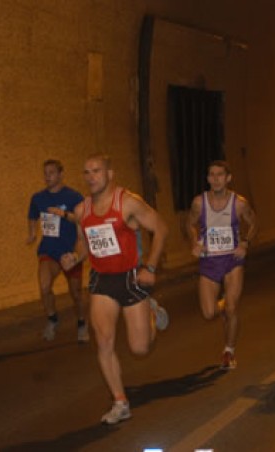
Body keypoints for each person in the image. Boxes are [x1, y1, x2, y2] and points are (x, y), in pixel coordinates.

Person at [60, 154, 169, 425]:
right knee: (104, 341)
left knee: (140, 348)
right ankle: (120, 402)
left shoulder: (127, 202)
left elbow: (161, 228)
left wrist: (151, 267)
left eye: (96, 171)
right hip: (102, 281)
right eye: (86, 172)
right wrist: (74, 257)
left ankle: (151, 312)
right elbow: (84, 243)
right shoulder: (81, 210)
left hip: (131, 278)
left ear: (110, 174)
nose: (91, 177)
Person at [188, 161, 258, 369]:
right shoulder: (199, 203)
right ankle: (223, 305)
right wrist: (194, 242)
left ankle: (229, 351)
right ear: (207, 178)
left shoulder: (239, 203)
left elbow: (254, 223)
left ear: (228, 178)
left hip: (232, 260)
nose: (216, 179)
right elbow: (189, 224)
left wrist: (245, 243)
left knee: (232, 308)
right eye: (212, 175)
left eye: (220, 175)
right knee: (209, 313)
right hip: (209, 261)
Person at [27, 159, 88, 342]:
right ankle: (52, 320)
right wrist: (32, 233)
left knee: (76, 293)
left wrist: (65, 214)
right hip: (49, 251)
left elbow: (84, 220)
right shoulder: (38, 198)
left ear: (61, 174)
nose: (47, 177)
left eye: (51, 173)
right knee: (44, 286)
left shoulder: (74, 197)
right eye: (45, 173)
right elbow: (32, 216)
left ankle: (82, 323)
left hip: (70, 252)